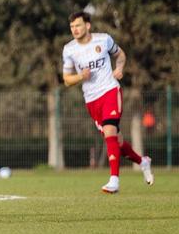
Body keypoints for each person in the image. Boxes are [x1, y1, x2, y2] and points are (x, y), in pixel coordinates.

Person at [62, 11, 153, 193]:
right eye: (72, 27)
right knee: (116, 141)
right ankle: (143, 161)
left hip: (110, 90)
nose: (75, 29)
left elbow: (120, 55)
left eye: (78, 25)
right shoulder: (69, 49)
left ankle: (114, 181)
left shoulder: (104, 40)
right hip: (91, 100)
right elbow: (66, 80)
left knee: (110, 130)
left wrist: (119, 68)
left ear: (87, 25)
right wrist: (81, 76)